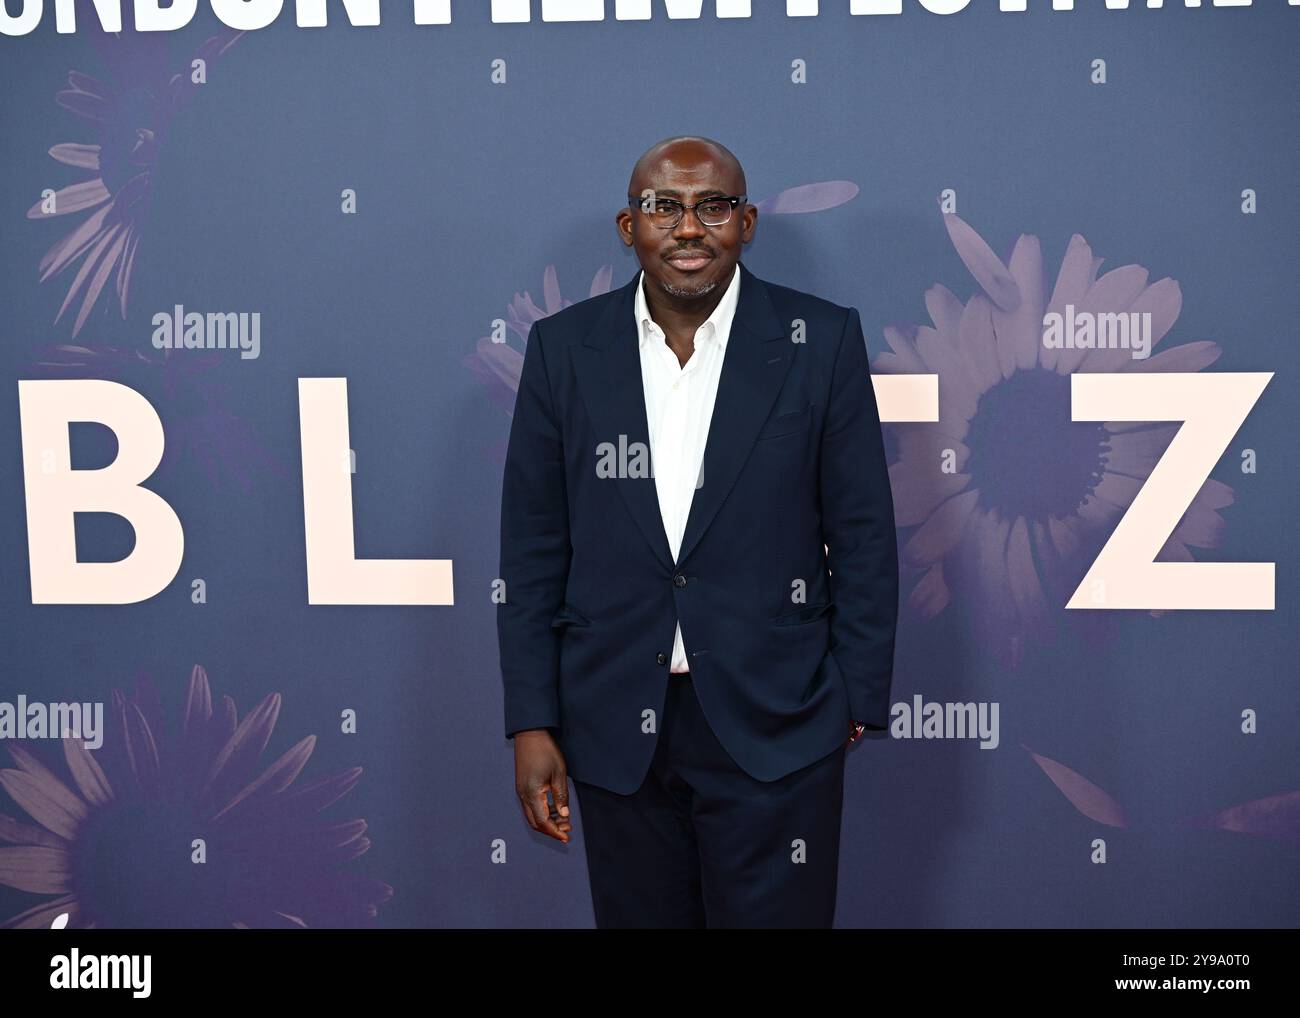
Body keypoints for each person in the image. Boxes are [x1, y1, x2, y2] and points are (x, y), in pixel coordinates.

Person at [497, 135, 898, 928]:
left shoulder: (819, 341)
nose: (689, 227)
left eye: (712, 206)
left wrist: (850, 698)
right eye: (663, 206)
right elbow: (534, 549)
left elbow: (864, 536)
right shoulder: (564, 350)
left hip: (778, 724)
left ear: (746, 223)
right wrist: (532, 720)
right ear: (628, 226)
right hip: (615, 726)